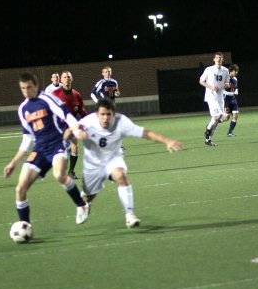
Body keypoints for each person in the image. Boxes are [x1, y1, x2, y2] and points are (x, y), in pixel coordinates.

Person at [64, 97, 183, 228]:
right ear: (96, 114)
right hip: (93, 164)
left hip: (113, 159)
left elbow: (145, 133)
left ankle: (130, 215)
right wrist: (74, 134)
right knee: (89, 196)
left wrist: (167, 141)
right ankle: (85, 203)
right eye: (102, 114)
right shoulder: (87, 122)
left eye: (108, 114)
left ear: (113, 114)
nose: (105, 118)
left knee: (121, 176)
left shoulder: (122, 122)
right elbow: (68, 135)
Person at [3, 72, 89, 234]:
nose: (26, 91)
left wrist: (76, 128)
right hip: (40, 149)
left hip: (58, 142)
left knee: (59, 175)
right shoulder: (23, 109)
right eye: (23, 88)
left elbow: (66, 115)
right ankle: (25, 226)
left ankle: (82, 205)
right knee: (20, 189)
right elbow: (27, 138)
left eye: (29, 87)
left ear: (36, 85)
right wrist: (13, 162)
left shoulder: (47, 99)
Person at [52, 70, 87, 179]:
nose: (66, 79)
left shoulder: (77, 94)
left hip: (72, 125)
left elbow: (82, 110)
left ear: (71, 79)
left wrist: (88, 120)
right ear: (61, 80)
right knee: (60, 150)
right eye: (64, 77)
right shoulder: (55, 94)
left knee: (75, 146)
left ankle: (71, 171)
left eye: (68, 77)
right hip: (59, 126)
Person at [199, 52, 230, 146]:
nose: (219, 59)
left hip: (220, 97)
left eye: (220, 58)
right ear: (214, 59)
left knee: (220, 118)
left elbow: (227, 83)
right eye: (217, 58)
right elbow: (201, 81)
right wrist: (211, 87)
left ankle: (208, 139)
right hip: (211, 96)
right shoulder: (209, 69)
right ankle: (208, 129)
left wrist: (226, 85)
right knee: (218, 116)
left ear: (223, 60)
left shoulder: (225, 70)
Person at [222, 64, 240, 136]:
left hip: (233, 100)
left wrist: (236, 91)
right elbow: (222, 91)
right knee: (226, 118)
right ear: (231, 71)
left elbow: (236, 88)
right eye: (236, 71)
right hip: (226, 101)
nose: (236, 73)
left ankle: (230, 132)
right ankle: (214, 121)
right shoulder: (225, 79)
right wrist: (229, 93)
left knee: (235, 115)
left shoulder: (235, 79)